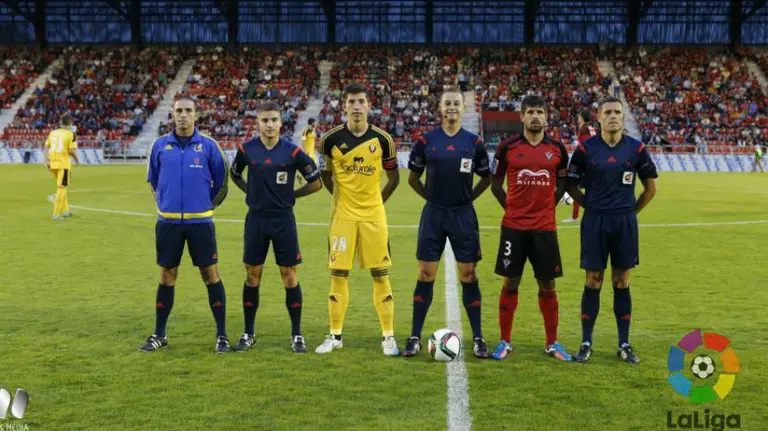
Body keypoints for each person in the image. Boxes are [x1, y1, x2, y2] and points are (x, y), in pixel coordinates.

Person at [565, 96, 658, 364]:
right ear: (599, 117)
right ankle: (585, 343)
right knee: (593, 280)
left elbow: (651, 188)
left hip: (624, 223)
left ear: (623, 116)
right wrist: (590, 206)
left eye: (618, 112)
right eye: (608, 112)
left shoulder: (636, 149)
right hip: (595, 222)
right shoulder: (586, 148)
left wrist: (631, 212)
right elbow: (571, 184)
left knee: (622, 281)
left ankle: (624, 344)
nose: (613, 116)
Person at [403, 86, 491, 358]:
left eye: (457, 103)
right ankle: (415, 336)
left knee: (469, 275)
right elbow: (413, 178)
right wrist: (431, 198)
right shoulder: (426, 141)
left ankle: (478, 338)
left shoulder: (474, 143)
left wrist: (468, 199)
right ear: (440, 108)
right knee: (425, 274)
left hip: (463, 215)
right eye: (447, 103)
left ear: (464, 108)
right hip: (434, 215)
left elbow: (486, 178)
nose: (452, 107)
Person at [315, 83, 401, 356]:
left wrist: (376, 202)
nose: (356, 106)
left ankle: (388, 336)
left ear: (368, 105)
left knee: (380, 274)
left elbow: (394, 178)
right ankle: (335, 335)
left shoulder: (383, 140)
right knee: (338, 274)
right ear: (344, 106)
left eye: (361, 101)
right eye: (351, 101)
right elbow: (325, 174)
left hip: (374, 216)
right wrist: (341, 199)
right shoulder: (329, 140)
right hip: (343, 217)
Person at [139, 96, 231, 354]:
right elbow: (154, 183)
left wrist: (205, 207)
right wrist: (166, 207)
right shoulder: (159, 146)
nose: (183, 115)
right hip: (167, 224)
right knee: (167, 276)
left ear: (196, 115)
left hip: (200, 223)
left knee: (210, 275)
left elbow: (222, 184)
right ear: (172, 114)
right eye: (179, 110)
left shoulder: (209, 146)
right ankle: (159, 334)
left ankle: (222, 335)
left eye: (188, 111)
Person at [229, 102, 322, 353]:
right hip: (256, 219)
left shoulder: (292, 152)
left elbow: (316, 182)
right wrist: (251, 192)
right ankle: (248, 333)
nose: (269, 124)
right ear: (257, 123)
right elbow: (235, 174)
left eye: (273, 120)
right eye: (264, 120)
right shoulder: (246, 149)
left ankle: (297, 335)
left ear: (281, 123)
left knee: (289, 276)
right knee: (252, 275)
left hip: (283, 220)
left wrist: (291, 196)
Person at [488, 95, 572, 361]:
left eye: (540, 112)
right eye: (530, 112)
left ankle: (552, 343)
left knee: (547, 284)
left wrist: (548, 207)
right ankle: (504, 341)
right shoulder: (507, 147)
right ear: (521, 117)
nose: (535, 116)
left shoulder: (558, 149)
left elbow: (562, 185)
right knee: (510, 282)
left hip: (545, 228)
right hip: (514, 227)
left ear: (546, 117)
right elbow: (495, 184)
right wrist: (512, 209)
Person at [44, 115, 79, 220]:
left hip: (52, 163)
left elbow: (46, 147)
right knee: (62, 188)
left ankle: (66, 210)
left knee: (61, 187)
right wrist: (77, 160)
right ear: (69, 123)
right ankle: (56, 214)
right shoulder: (71, 134)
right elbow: (71, 150)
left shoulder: (53, 133)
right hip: (63, 164)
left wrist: (46, 160)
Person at [563, 109, 596, 223]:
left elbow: (585, 146)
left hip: (584, 162)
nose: (578, 118)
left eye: (579, 117)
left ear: (582, 118)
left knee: (571, 183)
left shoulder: (583, 129)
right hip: (592, 162)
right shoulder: (591, 128)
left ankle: (576, 214)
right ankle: (577, 214)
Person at [297, 118, 318, 186]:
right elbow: (302, 141)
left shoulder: (312, 131)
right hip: (308, 152)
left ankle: (300, 176)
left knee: (311, 166)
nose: (315, 124)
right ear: (311, 123)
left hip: (312, 152)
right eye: (314, 123)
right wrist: (305, 151)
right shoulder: (305, 131)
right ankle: (308, 180)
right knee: (310, 166)